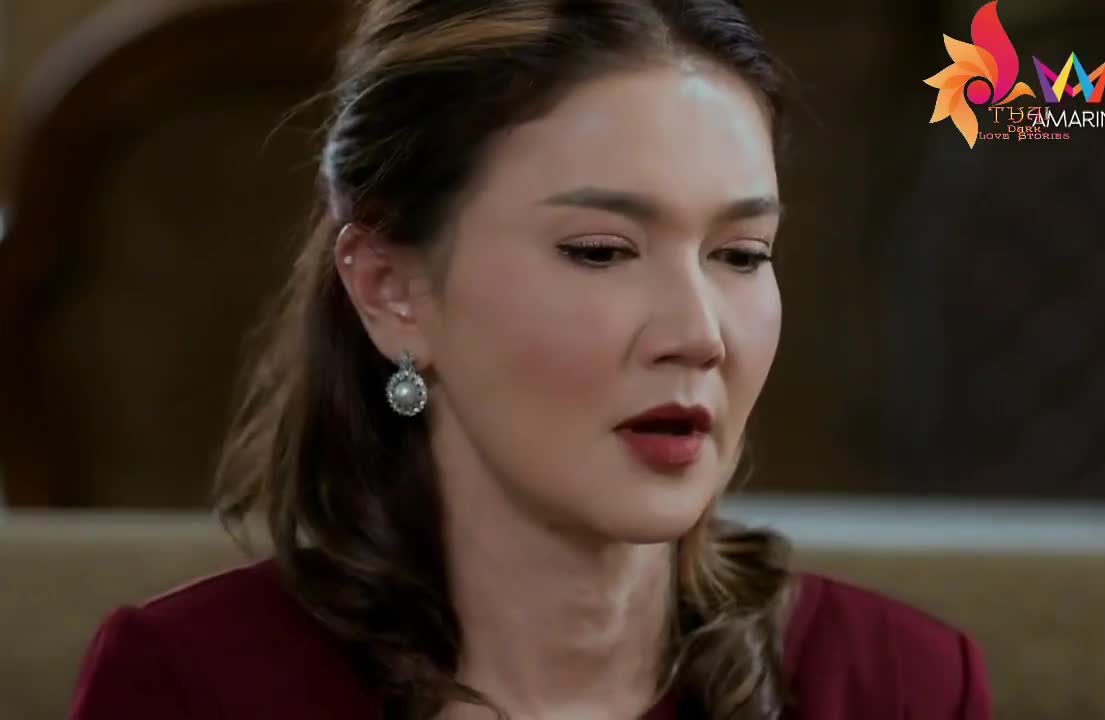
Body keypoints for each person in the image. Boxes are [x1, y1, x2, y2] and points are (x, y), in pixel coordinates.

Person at [69, 1, 991, 718]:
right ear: (391, 288)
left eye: (741, 255)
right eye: (601, 251)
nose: (699, 332)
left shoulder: (903, 687)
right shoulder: (191, 685)